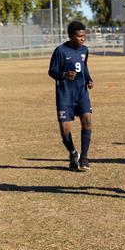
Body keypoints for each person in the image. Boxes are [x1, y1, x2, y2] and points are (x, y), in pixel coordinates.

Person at [48, 21, 94, 171]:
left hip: (81, 93)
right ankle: (73, 153)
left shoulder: (84, 50)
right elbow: (52, 71)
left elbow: (84, 66)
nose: (82, 38)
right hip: (65, 95)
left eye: (84, 35)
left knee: (87, 120)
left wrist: (88, 79)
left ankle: (85, 158)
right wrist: (64, 75)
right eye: (79, 36)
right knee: (64, 129)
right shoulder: (60, 51)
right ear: (71, 36)